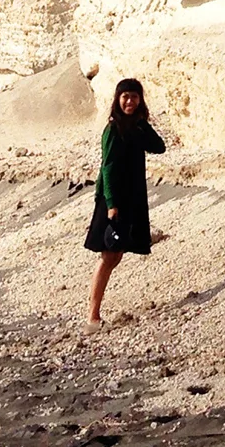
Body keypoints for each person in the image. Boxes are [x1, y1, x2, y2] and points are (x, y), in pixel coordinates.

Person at [85, 77, 165, 323]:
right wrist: (111, 204)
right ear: (117, 100)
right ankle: (92, 316)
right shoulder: (113, 129)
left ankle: (94, 314)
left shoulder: (136, 127)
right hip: (114, 200)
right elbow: (107, 168)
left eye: (134, 97)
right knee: (109, 256)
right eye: (125, 97)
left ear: (140, 100)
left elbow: (159, 147)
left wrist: (143, 122)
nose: (129, 101)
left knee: (116, 255)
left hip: (131, 197)